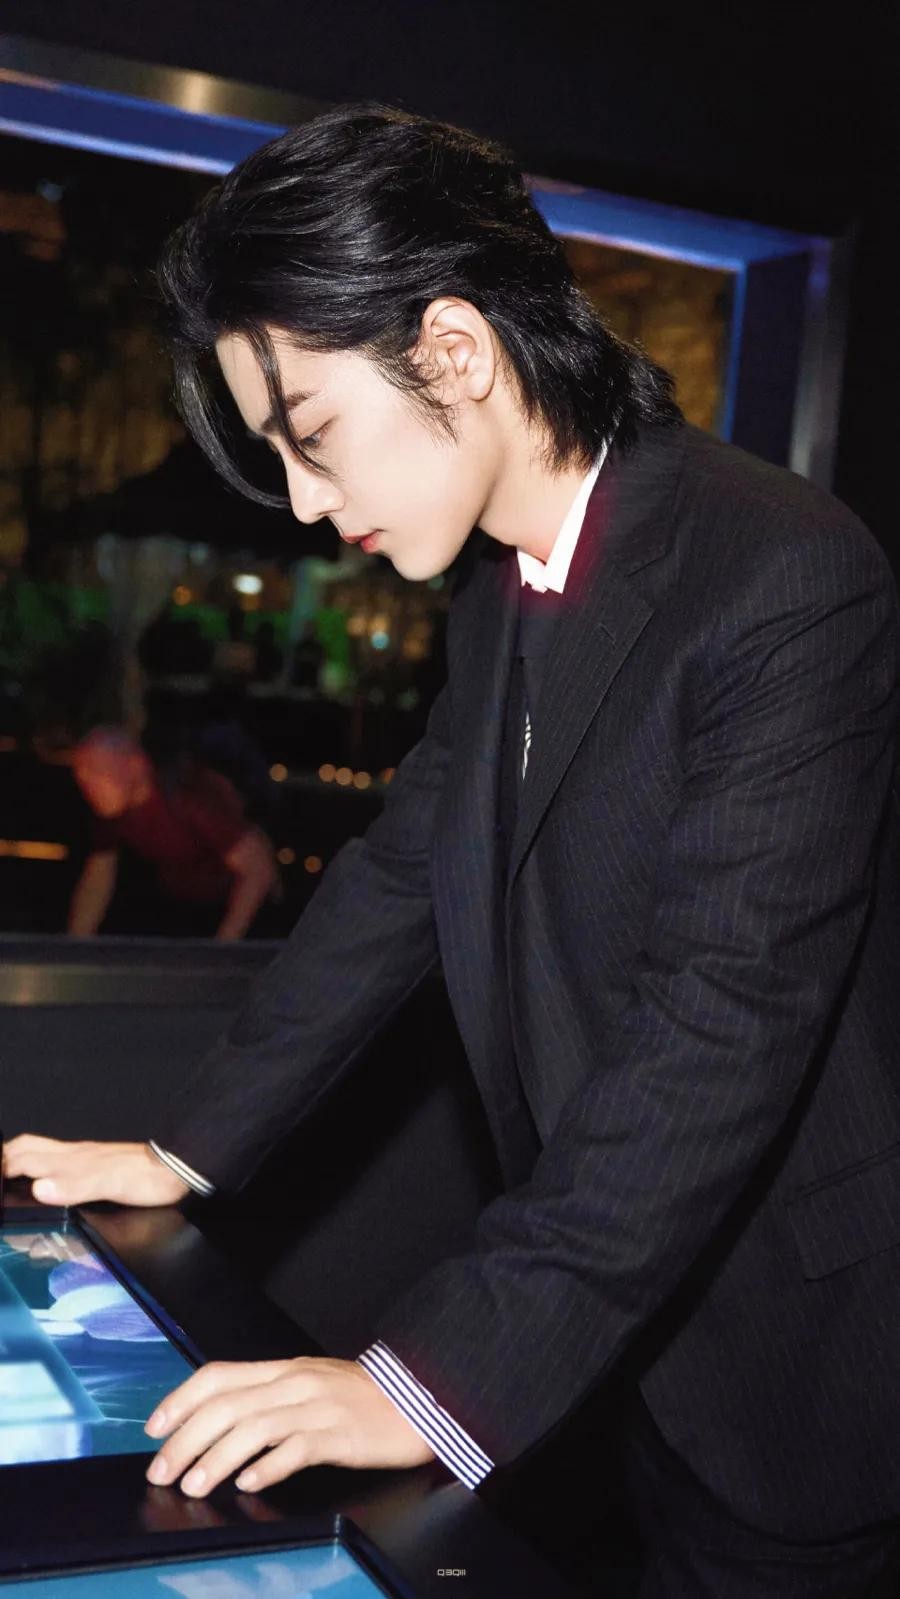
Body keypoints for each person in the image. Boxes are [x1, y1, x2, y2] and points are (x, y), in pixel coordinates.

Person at [6, 106, 900, 1597]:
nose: (303, 500)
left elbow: (718, 1029)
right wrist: (180, 1149)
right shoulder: (496, 598)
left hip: (794, 1372)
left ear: (457, 350)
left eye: (311, 436)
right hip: (610, 1352)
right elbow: (395, 882)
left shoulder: (788, 576)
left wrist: (428, 1383)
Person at [67, 726, 278, 940]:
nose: (89, 786)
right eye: (83, 778)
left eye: (98, 772)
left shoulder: (187, 796)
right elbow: (98, 875)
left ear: (136, 765)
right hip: (179, 907)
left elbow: (258, 870)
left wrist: (223, 947)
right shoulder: (110, 811)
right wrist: (76, 945)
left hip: (238, 910)